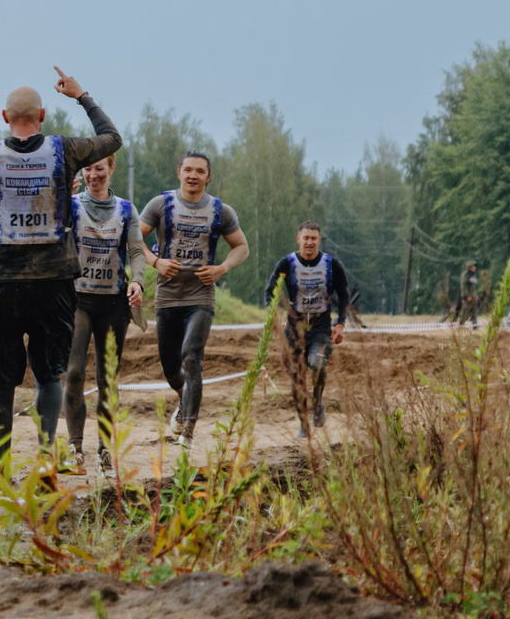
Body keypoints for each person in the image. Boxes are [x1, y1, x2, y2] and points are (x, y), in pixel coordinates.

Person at [0, 71, 122, 464]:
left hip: (2, 281)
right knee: (49, 374)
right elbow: (112, 139)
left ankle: (1, 469)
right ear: (42, 114)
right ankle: (44, 458)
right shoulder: (65, 150)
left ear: (5, 117)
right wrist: (81, 96)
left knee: (1, 384)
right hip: (54, 282)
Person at [137, 152, 250, 446]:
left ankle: (188, 432)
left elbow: (241, 247)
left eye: (200, 171)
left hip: (201, 295)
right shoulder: (160, 204)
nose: (193, 176)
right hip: (167, 297)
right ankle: (184, 400)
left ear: (208, 177)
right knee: (170, 368)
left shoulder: (221, 211)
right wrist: (155, 262)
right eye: (188, 170)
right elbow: (133, 240)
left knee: (192, 356)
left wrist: (222, 268)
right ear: (179, 172)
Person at [63, 154, 145, 470]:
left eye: (100, 168)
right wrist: (60, 197)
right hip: (78, 301)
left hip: (113, 303)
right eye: (88, 169)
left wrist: (137, 281)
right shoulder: (71, 205)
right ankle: (75, 447)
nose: (93, 175)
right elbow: (52, 232)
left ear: (111, 169)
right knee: (73, 372)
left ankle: (105, 448)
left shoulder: (126, 210)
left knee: (107, 378)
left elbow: (136, 250)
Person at [267, 222, 352, 438]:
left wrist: (341, 323)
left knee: (317, 363)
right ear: (299, 239)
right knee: (297, 378)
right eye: (306, 238)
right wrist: (273, 317)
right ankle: (303, 425)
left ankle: (318, 404)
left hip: (321, 328)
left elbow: (344, 296)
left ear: (319, 241)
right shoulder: (287, 263)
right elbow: (269, 292)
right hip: (294, 331)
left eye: (314, 238)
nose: (310, 242)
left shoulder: (332, 264)